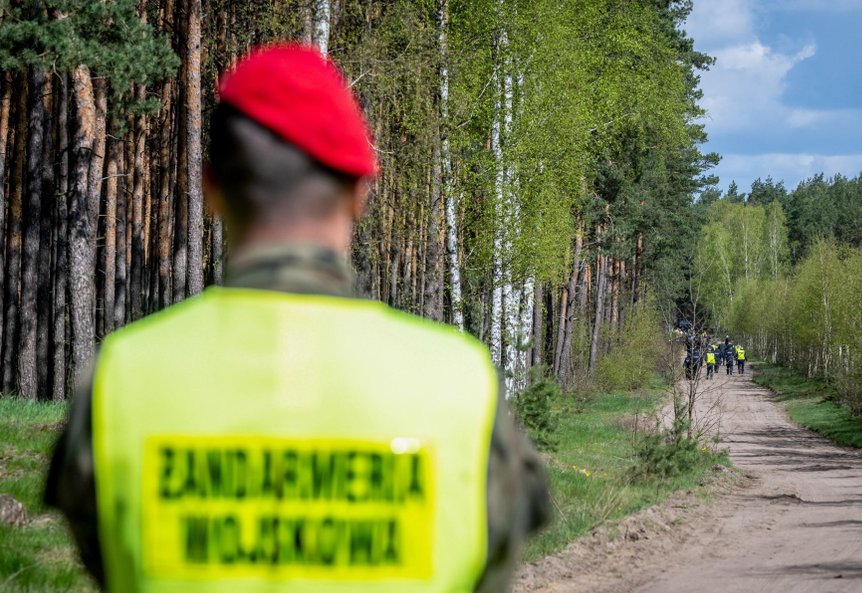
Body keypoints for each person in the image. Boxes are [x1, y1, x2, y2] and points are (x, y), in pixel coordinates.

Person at [45, 44, 549, 593]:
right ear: (359, 193)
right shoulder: (461, 381)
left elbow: (102, 554)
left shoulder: (121, 376)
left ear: (211, 189)